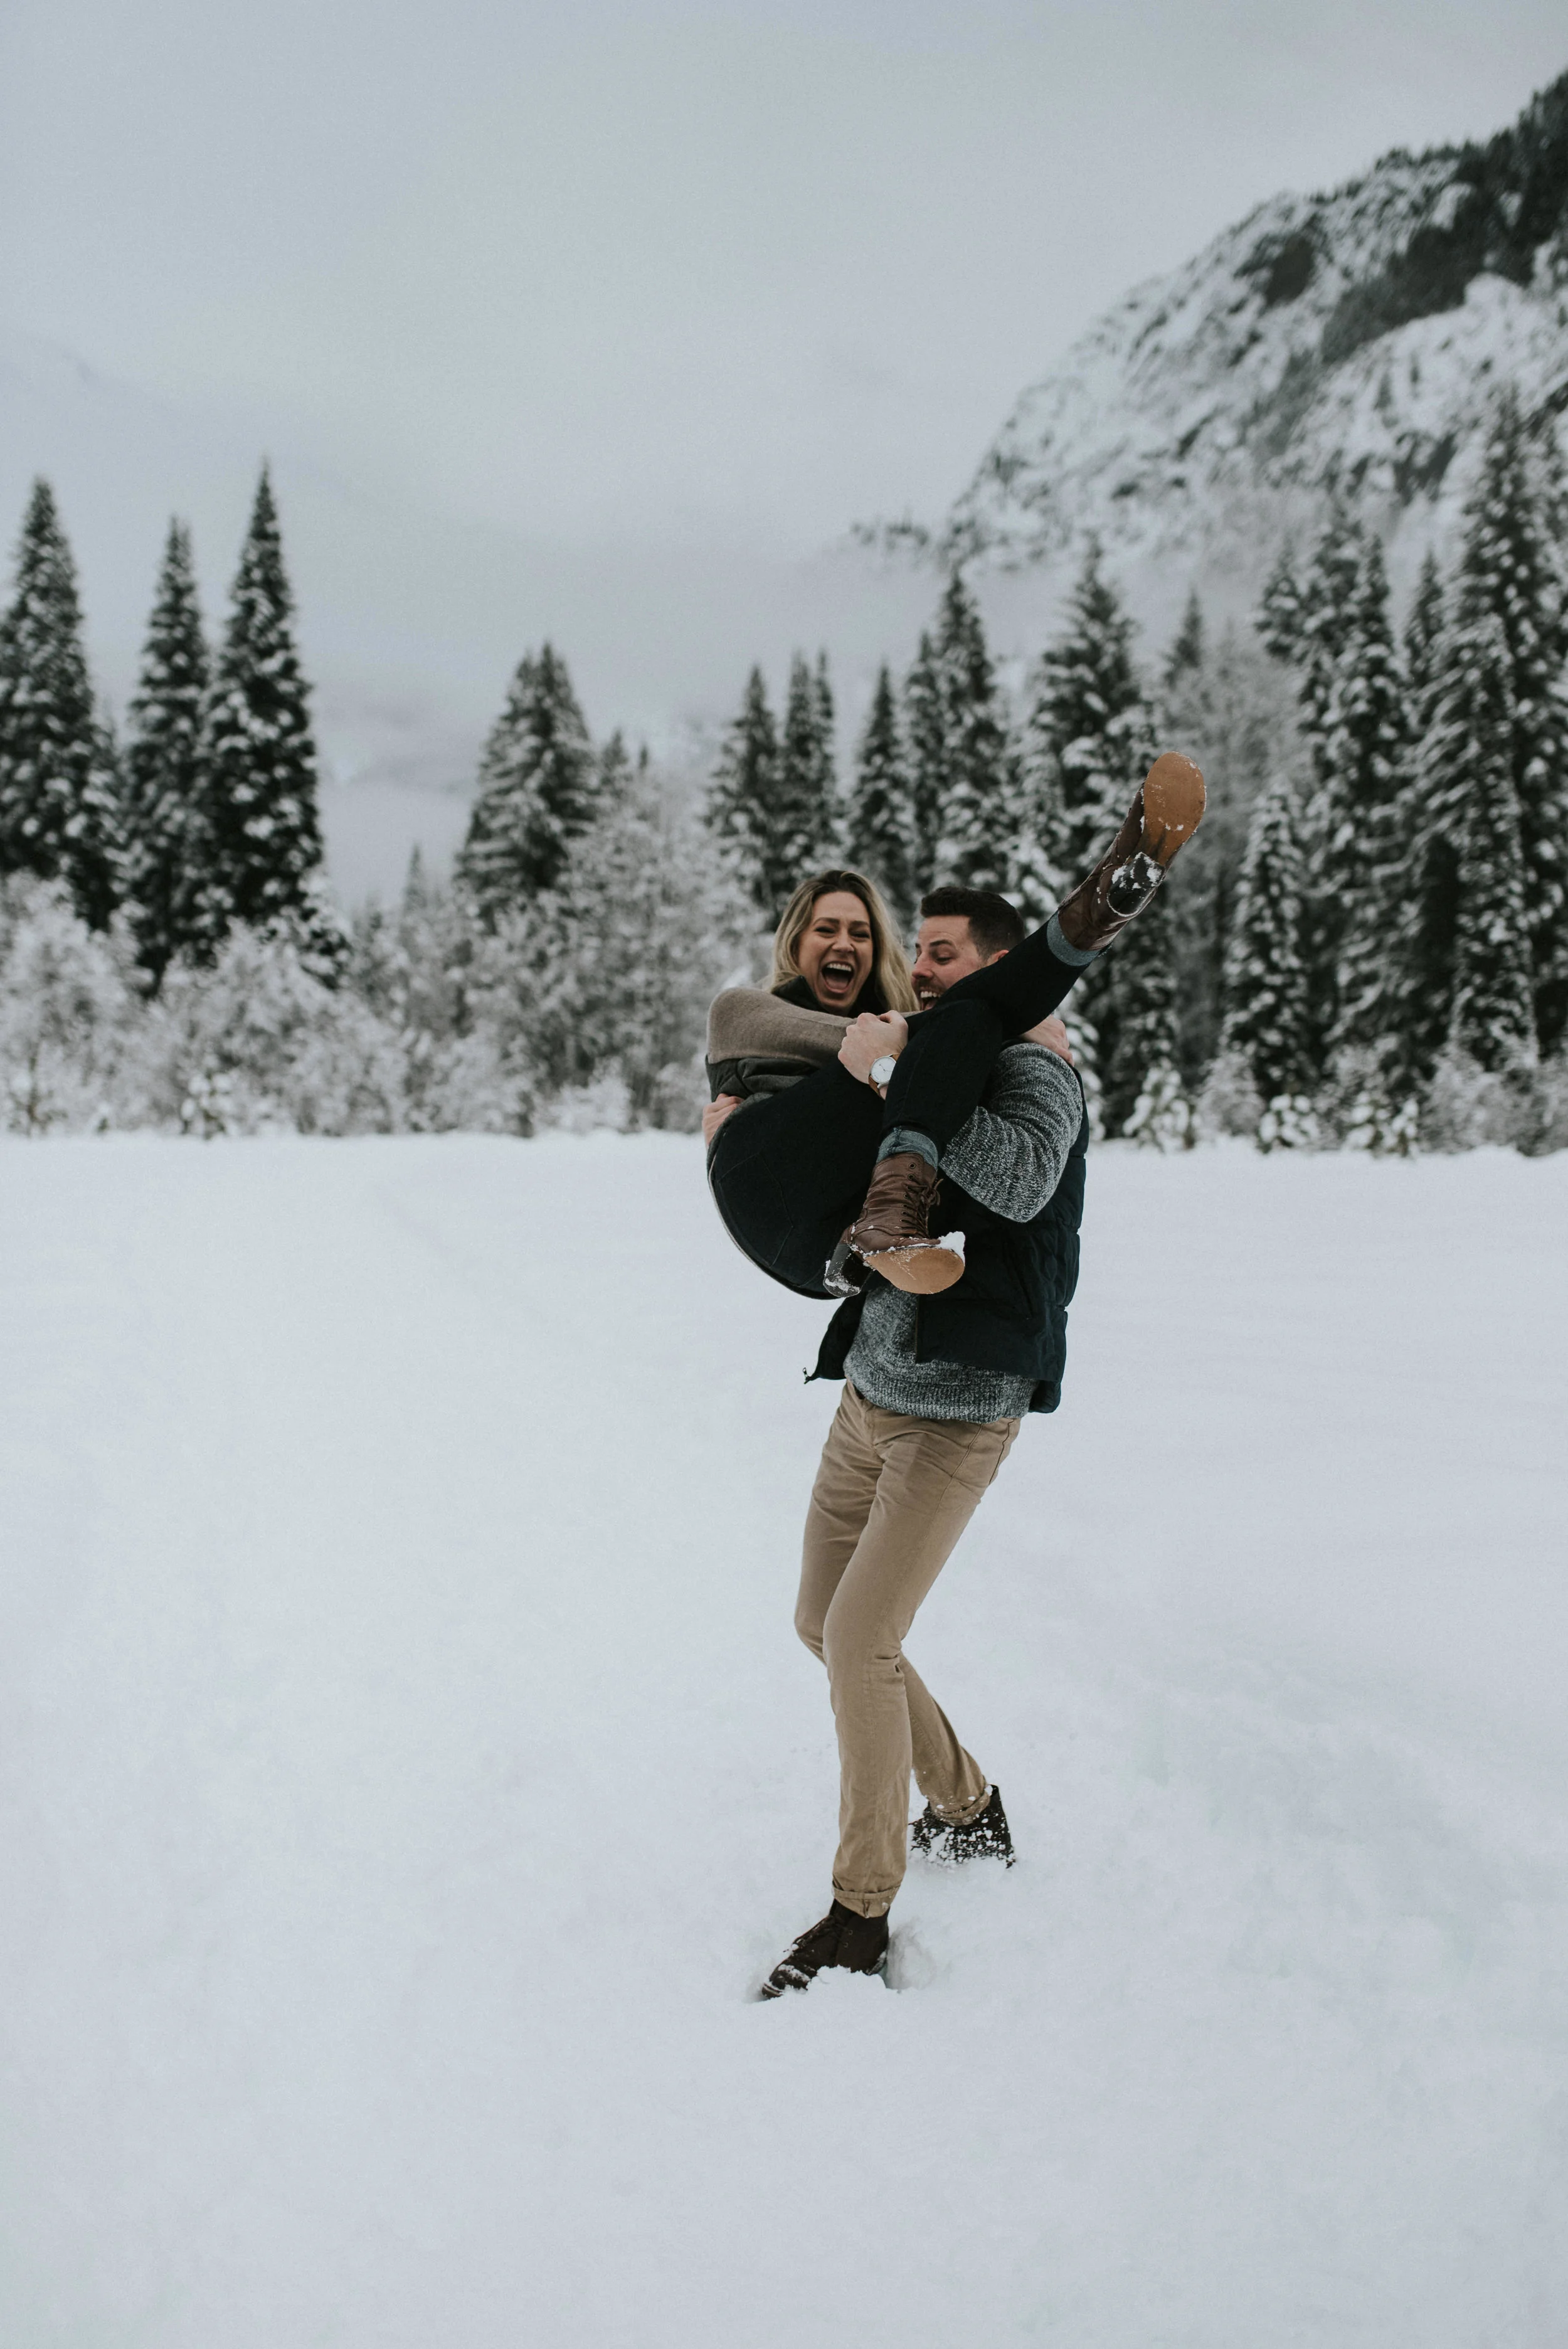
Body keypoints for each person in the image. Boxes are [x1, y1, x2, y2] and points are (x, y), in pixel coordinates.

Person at [753, 883, 1089, 1997]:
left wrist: (903, 1069)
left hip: (957, 1415)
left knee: (860, 1642)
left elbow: (1018, 1181)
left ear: (1004, 968)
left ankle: (862, 1910)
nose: (927, 973)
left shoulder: (1037, 1065)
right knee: (824, 1622)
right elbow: (874, 1212)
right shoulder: (930, 1052)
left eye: (948, 958)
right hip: (871, 1393)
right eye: (925, 956)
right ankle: (967, 1805)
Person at [704, 753, 1204, 1303]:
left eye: (863, 933)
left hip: (828, 1252)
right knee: (967, 1014)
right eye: (826, 929)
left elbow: (1015, 1178)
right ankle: (1092, 917)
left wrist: (899, 1061)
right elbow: (875, 1044)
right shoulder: (742, 1009)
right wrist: (928, 1047)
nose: (846, 943)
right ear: (795, 942)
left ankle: (1094, 915)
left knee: (964, 1019)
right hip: (756, 1182)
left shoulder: (948, 1047)